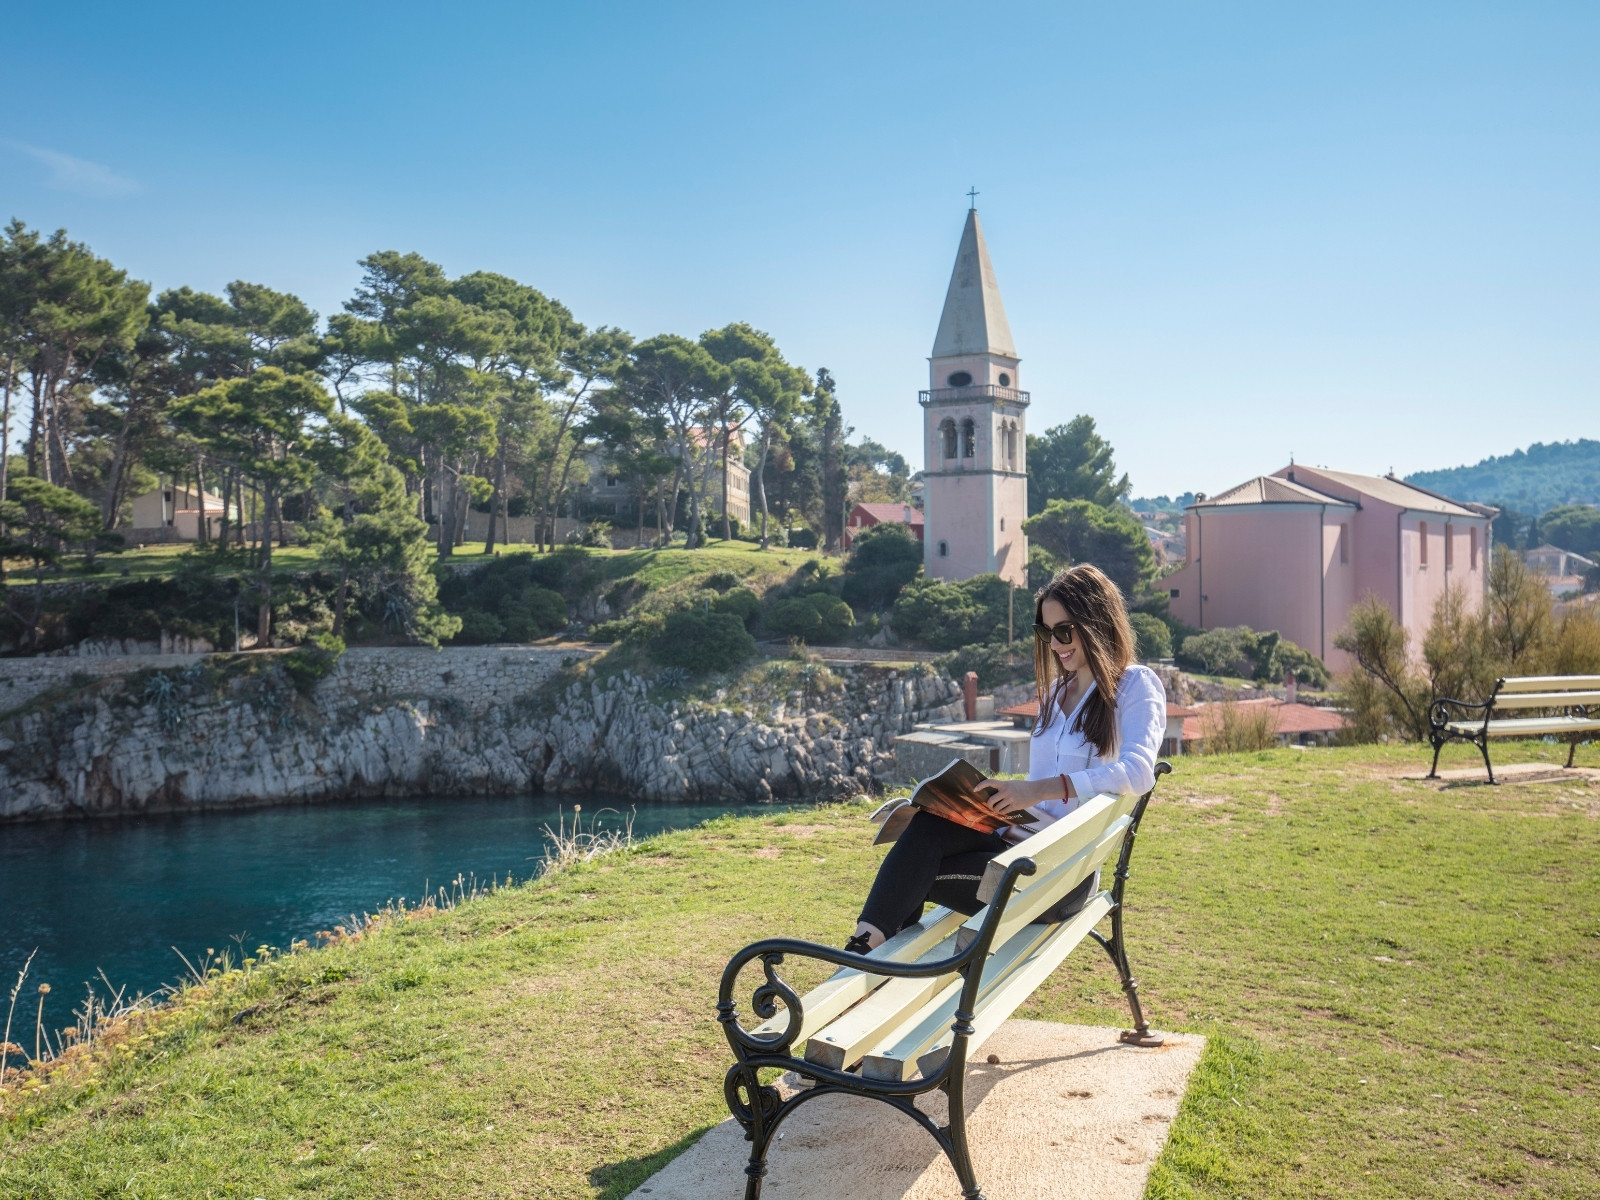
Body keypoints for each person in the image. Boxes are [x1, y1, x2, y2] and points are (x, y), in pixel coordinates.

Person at [846, 564, 1167, 953]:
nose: (1055, 644)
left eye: (1064, 631)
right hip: (1020, 845)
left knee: (912, 873)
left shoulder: (1134, 685)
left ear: (1097, 623)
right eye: (1046, 633)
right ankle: (863, 949)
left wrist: (1039, 790)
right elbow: (1037, 794)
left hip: (1058, 875)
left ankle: (867, 961)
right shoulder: (1054, 693)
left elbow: (1138, 772)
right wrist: (985, 799)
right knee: (927, 824)